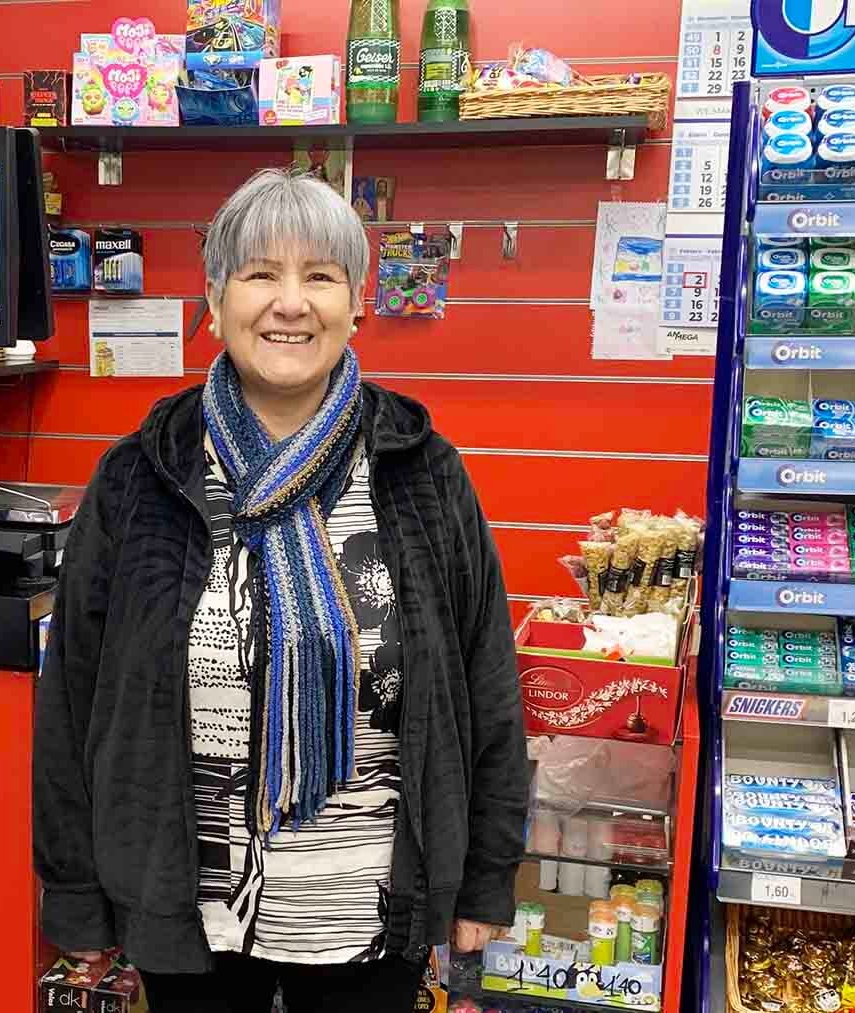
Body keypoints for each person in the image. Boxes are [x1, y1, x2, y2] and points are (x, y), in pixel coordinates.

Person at [33, 168, 527, 1013]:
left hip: (372, 909)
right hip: (187, 911)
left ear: (356, 303)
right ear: (215, 298)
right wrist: (76, 892)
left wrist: (484, 877)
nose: (290, 303)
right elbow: (73, 699)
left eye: (320, 276)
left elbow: (487, 687)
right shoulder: (142, 476)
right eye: (261, 273)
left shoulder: (422, 472)